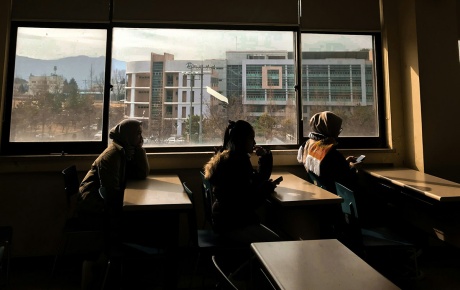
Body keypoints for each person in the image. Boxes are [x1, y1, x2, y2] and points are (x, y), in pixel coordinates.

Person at [76, 119, 149, 290]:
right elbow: (111, 193)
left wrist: (139, 149)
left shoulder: (124, 151)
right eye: (137, 133)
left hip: (103, 204)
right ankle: (106, 265)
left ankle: (119, 266)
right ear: (128, 135)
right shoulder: (113, 155)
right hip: (92, 207)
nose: (141, 136)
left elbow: (142, 174)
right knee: (138, 223)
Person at [203, 120, 280, 245]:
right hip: (234, 224)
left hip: (223, 219)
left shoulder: (228, 158)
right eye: (251, 139)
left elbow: (253, 182)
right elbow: (248, 202)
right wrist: (267, 188)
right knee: (277, 242)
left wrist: (265, 157)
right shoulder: (237, 163)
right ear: (242, 140)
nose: (254, 143)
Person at [297, 111, 360, 194]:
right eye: (338, 129)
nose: (338, 132)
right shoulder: (330, 152)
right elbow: (346, 177)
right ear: (330, 128)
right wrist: (353, 167)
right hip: (335, 194)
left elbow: (330, 168)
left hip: (319, 192)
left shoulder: (307, 144)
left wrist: (345, 162)